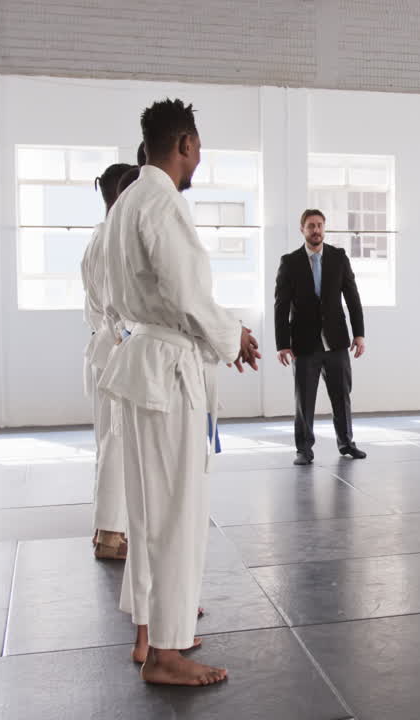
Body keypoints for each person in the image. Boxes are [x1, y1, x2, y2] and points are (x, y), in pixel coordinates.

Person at [99, 98, 260, 686]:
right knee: (176, 512)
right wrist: (232, 334)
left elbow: (160, 295)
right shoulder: (162, 203)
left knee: (147, 510)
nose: (200, 158)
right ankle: (167, 652)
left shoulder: (125, 205)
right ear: (186, 144)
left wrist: (222, 332)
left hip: (142, 360)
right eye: (199, 147)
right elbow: (188, 296)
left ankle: (149, 633)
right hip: (166, 369)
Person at [274, 209, 367, 465]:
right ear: (302, 229)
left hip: (337, 341)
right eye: (311, 226)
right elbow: (281, 305)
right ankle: (304, 450)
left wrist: (359, 333)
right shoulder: (290, 262)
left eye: (320, 225)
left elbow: (352, 297)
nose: (316, 230)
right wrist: (282, 344)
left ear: (324, 228)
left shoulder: (338, 257)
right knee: (304, 400)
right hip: (304, 344)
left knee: (341, 396)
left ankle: (346, 443)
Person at [81, 162, 134, 561]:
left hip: (103, 349)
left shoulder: (97, 238)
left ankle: (106, 530)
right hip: (115, 348)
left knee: (109, 444)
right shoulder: (113, 239)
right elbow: (118, 305)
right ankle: (112, 535)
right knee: (116, 445)